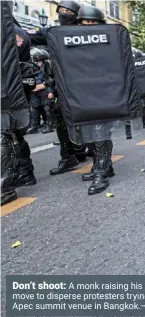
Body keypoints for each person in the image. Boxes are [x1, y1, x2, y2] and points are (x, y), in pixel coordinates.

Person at [27, 0, 88, 175]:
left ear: (76, 15)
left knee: (89, 119)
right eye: (60, 10)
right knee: (60, 117)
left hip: (85, 84)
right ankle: (68, 156)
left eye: (67, 11)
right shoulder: (52, 32)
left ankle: (89, 152)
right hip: (63, 85)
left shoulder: (86, 32)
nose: (63, 13)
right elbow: (28, 36)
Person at [76, 5, 114, 195]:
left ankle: (101, 173)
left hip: (104, 93)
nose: (89, 25)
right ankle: (105, 166)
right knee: (90, 133)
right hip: (83, 94)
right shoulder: (73, 44)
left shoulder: (108, 42)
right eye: (86, 22)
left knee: (100, 132)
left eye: (93, 22)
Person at [1, 21, 38, 205]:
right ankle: (21, 172)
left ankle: (14, 179)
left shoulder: (15, 32)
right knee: (11, 132)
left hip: (14, 84)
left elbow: (11, 56)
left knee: (8, 130)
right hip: (9, 84)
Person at [28, 48, 54, 134]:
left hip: (44, 91)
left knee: (47, 107)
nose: (37, 63)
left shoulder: (46, 68)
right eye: (35, 61)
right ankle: (34, 126)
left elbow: (51, 80)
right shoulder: (29, 69)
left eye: (39, 61)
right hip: (34, 92)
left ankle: (49, 125)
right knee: (33, 108)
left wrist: (47, 87)